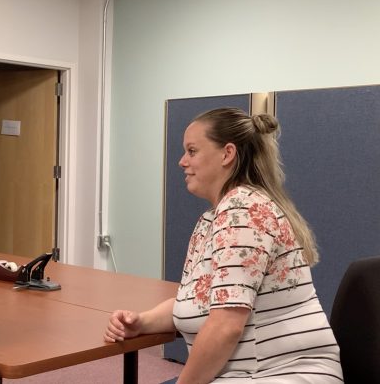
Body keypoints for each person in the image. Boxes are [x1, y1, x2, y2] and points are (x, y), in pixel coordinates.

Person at [104, 108, 342, 383]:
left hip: (284, 374)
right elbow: (194, 300)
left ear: (227, 154)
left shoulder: (242, 211)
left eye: (192, 151)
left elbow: (226, 326)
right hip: (244, 374)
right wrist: (142, 322)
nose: (182, 161)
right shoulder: (213, 218)